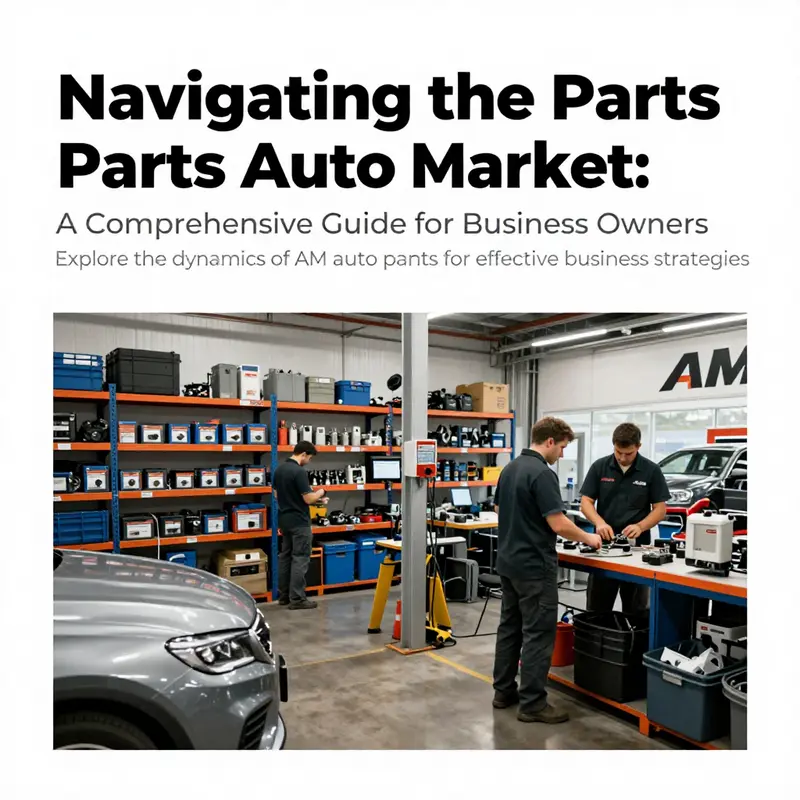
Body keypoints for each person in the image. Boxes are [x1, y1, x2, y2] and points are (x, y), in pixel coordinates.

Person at [492, 417, 602, 724]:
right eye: (563, 447)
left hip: (509, 562)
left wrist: (524, 525)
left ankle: (503, 692)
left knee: (510, 628)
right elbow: (559, 523)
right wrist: (589, 537)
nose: (563, 455)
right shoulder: (542, 473)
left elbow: (500, 510)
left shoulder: (511, 468)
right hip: (534, 567)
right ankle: (533, 704)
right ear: (550, 441)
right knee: (539, 634)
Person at [579, 422, 670, 614]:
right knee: (596, 611)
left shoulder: (651, 471)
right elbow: (586, 502)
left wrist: (641, 526)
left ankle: (633, 643)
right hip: (603, 549)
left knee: (636, 612)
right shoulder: (600, 467)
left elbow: (660, 509)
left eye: (628, 453)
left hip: (637, 552)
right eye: (618, 451)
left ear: (638, 446)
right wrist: (599, 522)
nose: (622, 457)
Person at [273, 441, 328, 609]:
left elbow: (277, 495)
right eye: (309, 457)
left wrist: (314, 499)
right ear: (303, 454)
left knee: (286, 557)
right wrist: (321, 492)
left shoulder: (279, 470)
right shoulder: (299, 471)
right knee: (300, 558)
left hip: (285, 519)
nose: (309, 461)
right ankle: (297, 599)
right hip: (300, 523)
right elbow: (308, 498)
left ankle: (284, 597)